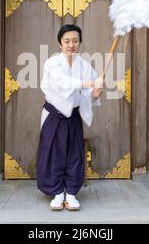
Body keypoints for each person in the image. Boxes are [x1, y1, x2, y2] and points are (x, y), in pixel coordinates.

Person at [37, 24, 103, 211]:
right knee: (53, 154)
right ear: (60, 43)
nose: (71, 44)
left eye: (75, 40)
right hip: (54, 116)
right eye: (67, 41)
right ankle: (57, 193)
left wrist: (95, 93)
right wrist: (88, 83)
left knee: (74, 155)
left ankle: (72, 193)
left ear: (80, 43)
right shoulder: (52, 63)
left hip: (73, 116)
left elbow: (89, 93)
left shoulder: (85, 66)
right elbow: (62, 83)